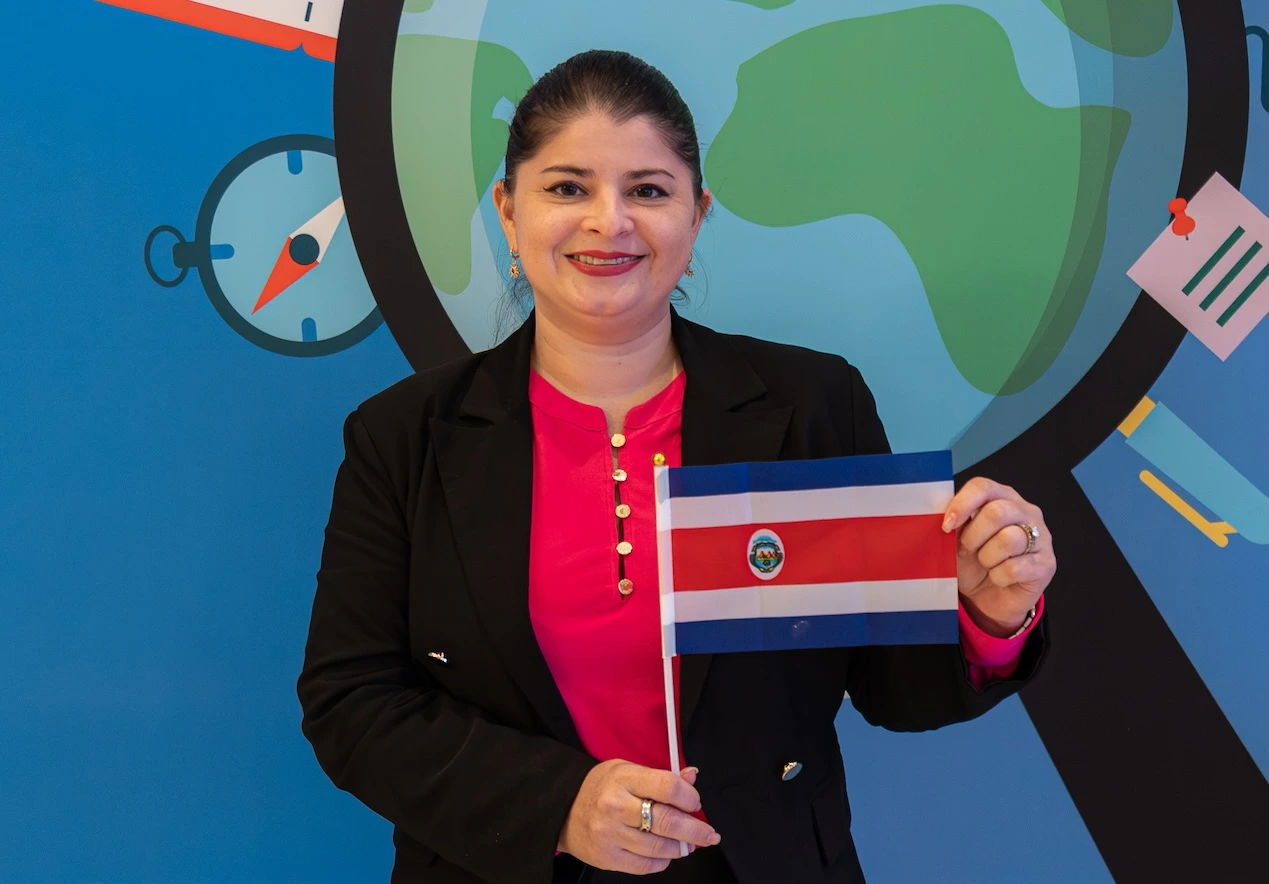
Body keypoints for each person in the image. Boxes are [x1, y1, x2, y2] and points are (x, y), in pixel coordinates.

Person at [297, 49, 1054, 884]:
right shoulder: (404, 437)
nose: (608, 221)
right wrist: (560, 804)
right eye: (567, 187)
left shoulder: (811, 405)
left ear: (696, 219)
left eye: (648, 191)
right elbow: (352, 704)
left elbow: (893, 689)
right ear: (508, 215)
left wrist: (987, 613)